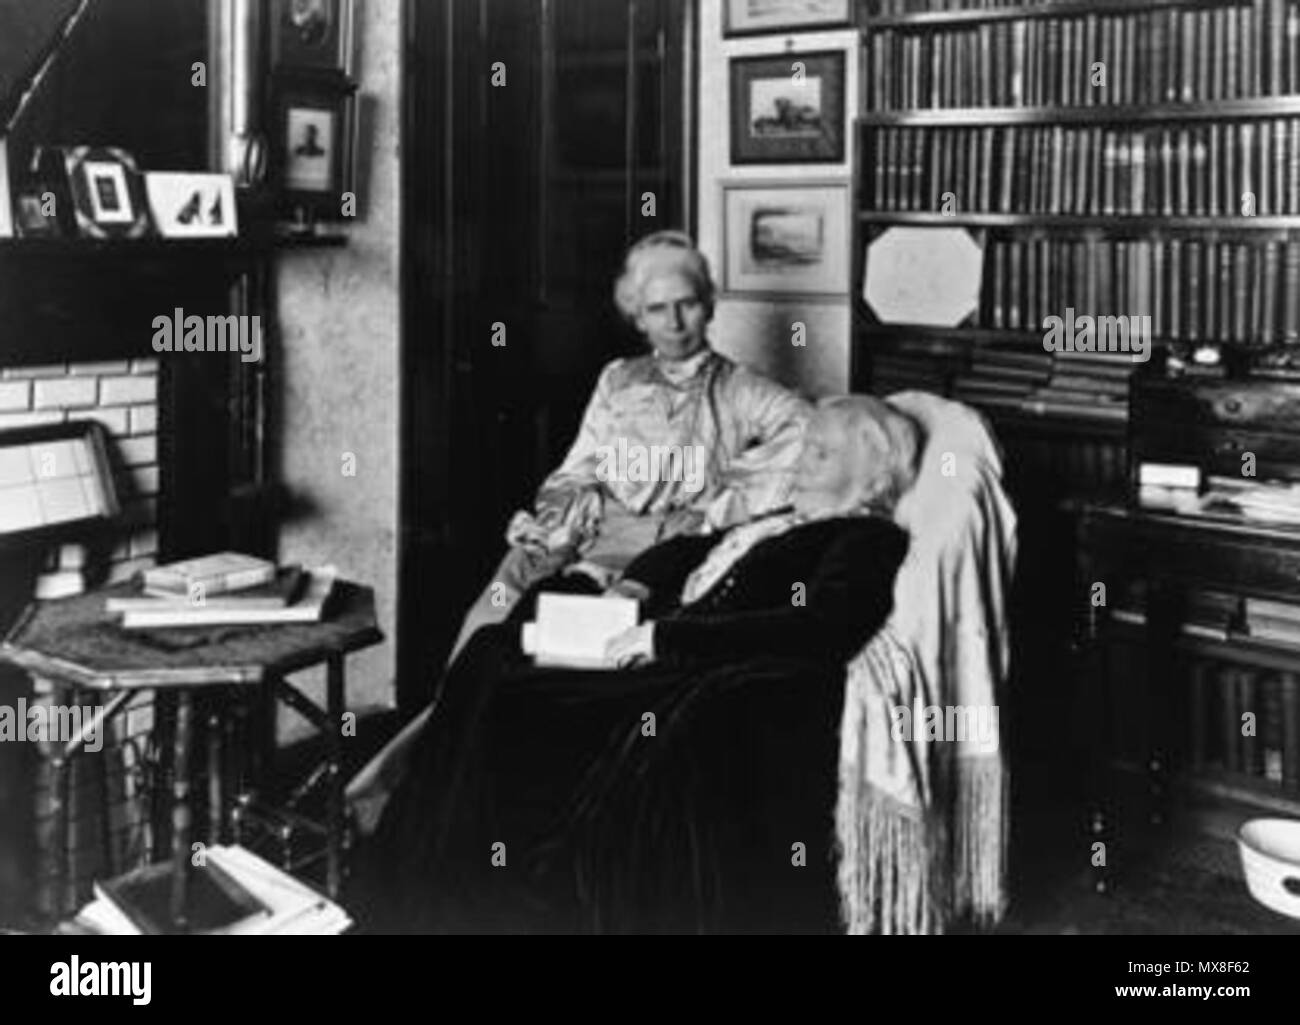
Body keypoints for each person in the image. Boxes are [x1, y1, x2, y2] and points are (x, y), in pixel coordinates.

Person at [352, 395, 924, 934]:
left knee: (518, 697)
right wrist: (633, 587)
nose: (801, 462)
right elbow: (684, 548)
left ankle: (466, 891)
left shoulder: (864, 539)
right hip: (646, 635)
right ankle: (420, 869)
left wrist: (665, 639)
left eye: (821, 453)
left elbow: (821, 629)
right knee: (491, 652)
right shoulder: (782, 518)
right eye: (806, 447)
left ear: (873, 479)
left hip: (687, 673)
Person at [344, 231, 809, 828]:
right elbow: (580, 465)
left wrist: (718, 505)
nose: (675, 322)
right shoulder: (617, 379)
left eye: (687, 303)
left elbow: (808, 433)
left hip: (655, 551)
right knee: (485, 623)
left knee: (530, 657)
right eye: (656, 309)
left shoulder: (740, 388)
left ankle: (425, 795)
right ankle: (426, 783)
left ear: (710, 304)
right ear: (636, 318)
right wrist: (557, 517)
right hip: (585, 532)